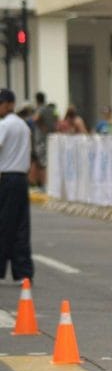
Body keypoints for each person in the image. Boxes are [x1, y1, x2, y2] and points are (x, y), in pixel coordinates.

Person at [0, 89, 34, 284]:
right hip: (22, 178)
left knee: (4, 225)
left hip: (7, 178)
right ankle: (23, 272)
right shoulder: (23, 125)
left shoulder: (4, 125)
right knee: (22, 226)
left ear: (7, 104)